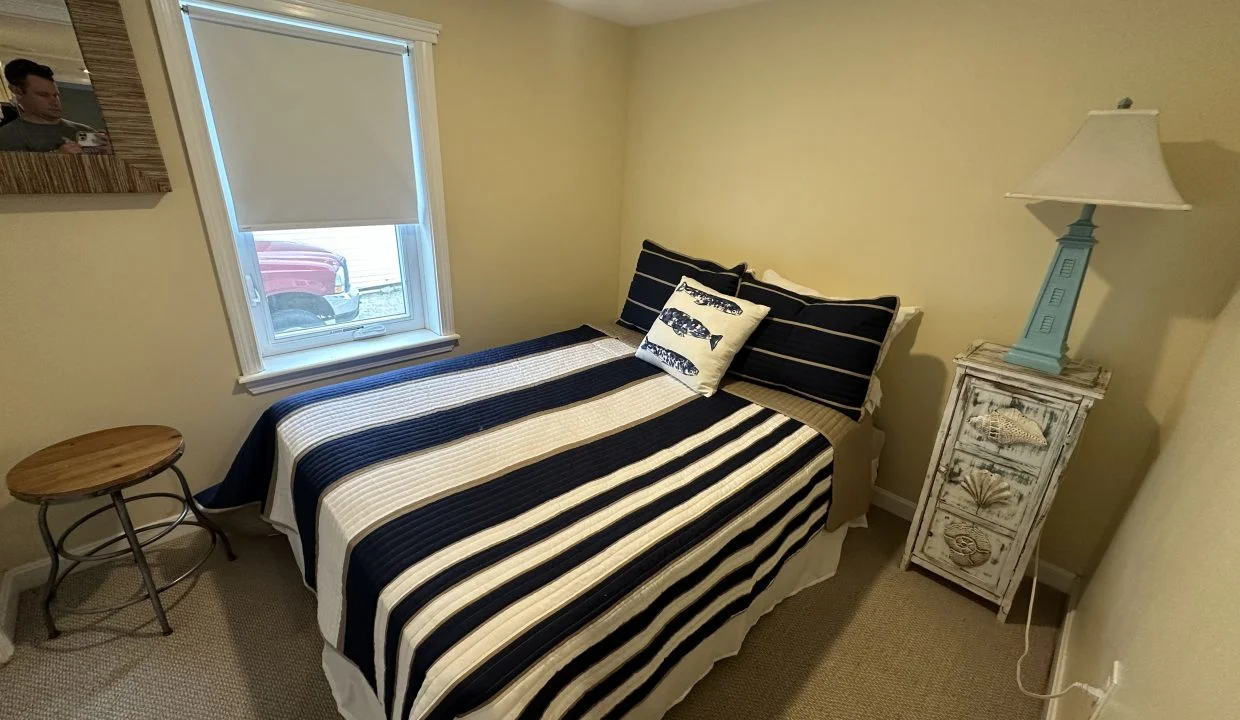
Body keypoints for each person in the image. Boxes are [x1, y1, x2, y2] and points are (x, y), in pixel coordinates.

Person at [0, 58, 108, 153]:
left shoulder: (84, 130)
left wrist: (110, 153)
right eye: (43, 95)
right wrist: (57, 158)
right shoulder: (8, 136)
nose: (54, 101)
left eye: (55, 95)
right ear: (17, 91)